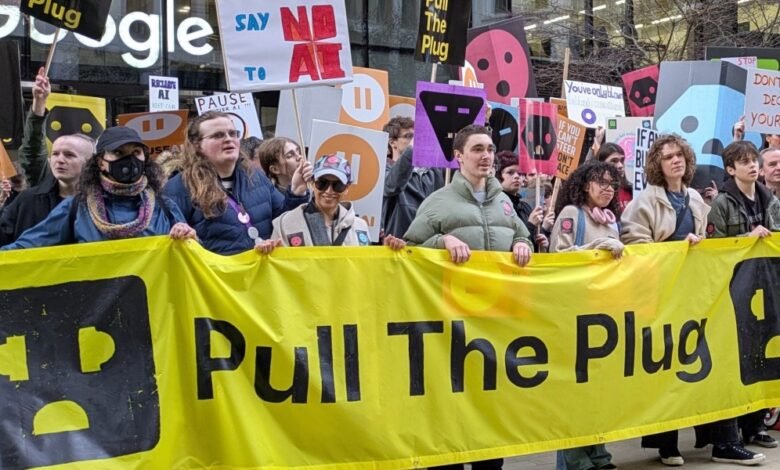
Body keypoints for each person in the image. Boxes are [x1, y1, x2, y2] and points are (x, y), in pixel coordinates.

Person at [621, 134, 765, 466]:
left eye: (680, 155)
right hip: (661, 295)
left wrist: (740, 240)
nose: (676, 161)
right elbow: (633, 244)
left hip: (698, 295)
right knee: (665, 367)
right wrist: (674, 247)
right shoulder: (644, 202)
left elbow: (714, 244)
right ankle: (667, 444)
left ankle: (723, 441)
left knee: (711, 363)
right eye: (668, 156)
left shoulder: (697, 199)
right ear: (658, 163)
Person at [405, 125, 532, 470]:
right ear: (458, 156)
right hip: (452, 327)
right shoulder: (438, 202)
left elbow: (525, 238)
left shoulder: (504, 202)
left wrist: (524, 243)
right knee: (450, 410)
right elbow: (409, 254)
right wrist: (441, 243)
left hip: (496, 325)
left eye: (490, 149)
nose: (486, 156)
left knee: (491, 411)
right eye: (477, 149)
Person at [2, 127, 194, 249]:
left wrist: (188, 238)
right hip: (96, 310)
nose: (129, 160)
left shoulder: (165, 208)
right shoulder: (77, 208)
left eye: (136, 152)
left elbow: (195, 257)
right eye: (118, 153)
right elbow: (26, 248)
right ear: (101, 162)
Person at [549, 161, 622, 470]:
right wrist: (595, 247)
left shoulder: (611, 221)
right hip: (574, 309)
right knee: (574, 391)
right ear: (584, 185)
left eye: (611, 184)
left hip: (601, 310)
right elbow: (558, 256)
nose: (607, 188)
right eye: (600, 182)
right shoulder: (571, 215)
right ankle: (575, 460)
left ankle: (598, 454)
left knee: (597, 390)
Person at [164, 111, 310, 255]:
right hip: (215, 277)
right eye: (218, 135)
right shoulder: (178, 188)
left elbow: (284, 222)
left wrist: (296, 193)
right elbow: (171, 248)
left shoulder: (256, 177)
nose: (228, 139)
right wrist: (188, 238)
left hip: (261, 274)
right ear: (197, 145)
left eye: (232, 133)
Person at [0, 67, 94, 245]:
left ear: (89, 162)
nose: (60, 160)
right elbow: (33, 150)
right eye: (55, 154)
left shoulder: (105, 201)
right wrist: (38, 104)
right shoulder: (29, 200)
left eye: (69, 155)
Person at [268, 154, 405, 251]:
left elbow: (366, 271)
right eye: (322, 183)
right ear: (312, 183)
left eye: (338, 185)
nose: (329, 190)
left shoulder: (360, 227)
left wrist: (387, 252)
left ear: (347, 188)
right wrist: (265, 252)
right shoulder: (285, 224)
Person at [382, 116, 445, 239]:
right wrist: (412, 149)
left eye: (416, 136)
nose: (415, 140)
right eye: (408, 136)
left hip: (427, 246)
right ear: (392, 142)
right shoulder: (384, 169)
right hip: (397, 245)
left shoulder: (432, 172)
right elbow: (392, 186)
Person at [707, 141, 780, 239]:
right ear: (731, 170)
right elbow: (714, 245)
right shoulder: (721, 203)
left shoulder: (771, 199)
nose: (752, 165)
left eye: (754, 160)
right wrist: (748, 238)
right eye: (745, 162)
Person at [494, 150, 551, 251]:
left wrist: (543, 243)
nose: (517, 176)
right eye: (510, 172)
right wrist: (531, 224)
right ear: (498, 177)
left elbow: (534, 243)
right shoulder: (495, 205)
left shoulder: (525, 206)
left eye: (520, 173)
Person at [595, 143, 633, 210]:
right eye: (614, 161)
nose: (620, 166)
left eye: (622, 161)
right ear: (601, 164)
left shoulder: (632, 191)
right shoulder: (595, 193)